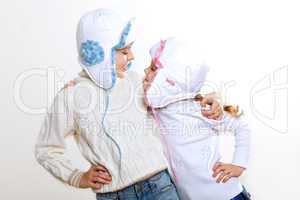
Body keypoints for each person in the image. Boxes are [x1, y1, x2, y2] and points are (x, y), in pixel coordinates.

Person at [35, 9, 222, 200]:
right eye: (124, 51)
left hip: (159, 186)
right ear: (97, 53)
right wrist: (77, 177)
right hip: (112, 195)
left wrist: (211, 100)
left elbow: (178, 98)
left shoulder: (136, 82)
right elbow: (46, 149)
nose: (132, 56)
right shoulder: (71, 96)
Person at [144, 38, 252, 200]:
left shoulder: (200, 108)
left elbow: (242, 126)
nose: (146, 71)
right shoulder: (156, 111)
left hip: (225, 195)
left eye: (153, 69)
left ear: (169, 80)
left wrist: (239, 164)